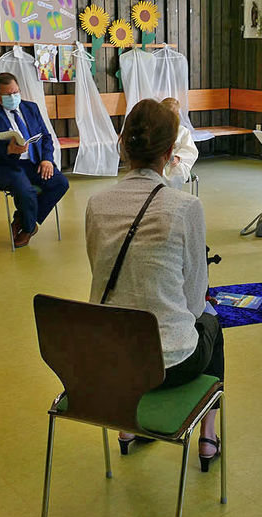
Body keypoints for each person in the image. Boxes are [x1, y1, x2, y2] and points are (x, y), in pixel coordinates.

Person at [85, 99, 224, 471]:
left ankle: (128, 428)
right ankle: (209, 435)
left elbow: (99, 272)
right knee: (213, 322)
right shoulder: (184, 208)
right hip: (169, 363)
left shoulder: (96, 203)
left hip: (108, 359)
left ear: (123, 145)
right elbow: (195, 301)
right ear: (169, 154)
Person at [0, 72, 69, 247]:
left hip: (33, 162)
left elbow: (46, 137)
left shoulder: (30, 108)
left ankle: (25, 220)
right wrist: (6, 148)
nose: (13, 97)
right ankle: (28, 228)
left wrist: (47, 160)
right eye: (8, 94)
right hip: (4, 166)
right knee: (26, 191)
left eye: (16, 92)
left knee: (60, 183)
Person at [160, 96, 199, 190]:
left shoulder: (183, 131)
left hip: (176, 164)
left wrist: (178, 157)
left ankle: (174, 198)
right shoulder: (156, 130)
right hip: (159, 163)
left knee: (176, 174)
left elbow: (190, 150)